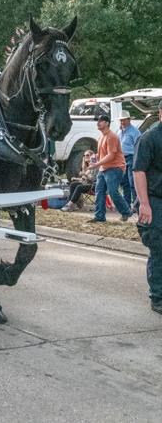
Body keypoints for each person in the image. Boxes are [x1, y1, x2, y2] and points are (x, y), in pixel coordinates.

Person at [133, 100, 162, 314]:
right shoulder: (149, 138)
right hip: (154, 199)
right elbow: (139, 171)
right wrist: (144, 204)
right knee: (159, 248)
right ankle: (158, 297)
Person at [87, 114, 133, 223]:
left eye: (100, 121)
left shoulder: (112, 136)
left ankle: (126, 211)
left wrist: (96, 165)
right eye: (97, 121)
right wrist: (95, 156)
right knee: (99, 191)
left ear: (107, 123)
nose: (98, 123)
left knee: (112, 192)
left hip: (115, 168)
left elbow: (111, 155)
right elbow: (103, 153)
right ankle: (99, 216)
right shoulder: (101, 136)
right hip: (104, 168)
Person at [117, 110, 141, 209]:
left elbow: (139, 146)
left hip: (131, 157)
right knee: (124, 182)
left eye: (124, 120)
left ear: (129, 119)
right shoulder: (119, 131)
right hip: (121, 159)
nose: (122, 122)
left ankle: (136, 205)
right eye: (121, 120)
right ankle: (126, 205)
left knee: (132, 182)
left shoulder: (135, 131)